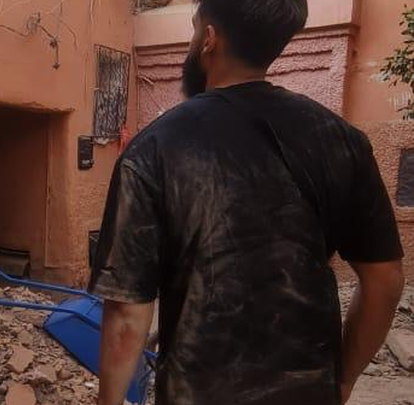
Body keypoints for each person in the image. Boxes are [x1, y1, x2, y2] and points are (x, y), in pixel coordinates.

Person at [88, 1, 406, 404]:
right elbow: (385, 281)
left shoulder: (153, 149)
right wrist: (343, 378)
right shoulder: (342, 141)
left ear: (209, 39)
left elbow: (126, 314)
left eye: (194, 29)